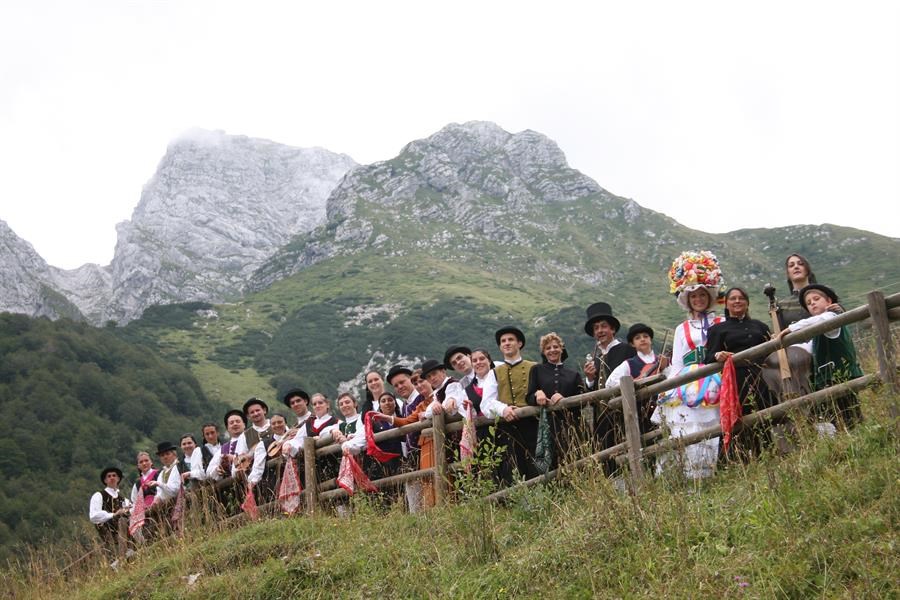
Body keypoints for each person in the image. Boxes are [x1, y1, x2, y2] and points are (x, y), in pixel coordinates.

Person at [657, 250, 726, 479]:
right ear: (687, 300)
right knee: (688, 424)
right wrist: (669, 388)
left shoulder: (722, 321)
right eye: (694, 296)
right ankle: (690, 473)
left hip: (715, 376)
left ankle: (713, 468)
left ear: (710, 296)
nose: (698, 300)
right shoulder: (681, 329)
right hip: (689, 381)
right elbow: (677, 361)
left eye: (702, 295)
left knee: (713, 421)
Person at [706, 286, 778, 457]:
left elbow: (771, 352)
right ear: (726, 304)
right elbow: (708, 357)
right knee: (739, 422)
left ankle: (768, 456)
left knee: (764, 418)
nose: (737, 301)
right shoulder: (717, 329)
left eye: (741, 298)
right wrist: (718, 355)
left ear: (747, 303)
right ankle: (739, 459)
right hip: (736, 380)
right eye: (733, 298)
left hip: (762, 378)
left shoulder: (760, 326)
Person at [780, 284, 863, 428]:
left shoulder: (831, 317)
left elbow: (818, 320)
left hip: (840, 377)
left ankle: (856, 436)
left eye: (816, 299)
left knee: (848, 416)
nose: (812, 303)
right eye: (808, 303)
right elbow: (808, 347)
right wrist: (784, 347)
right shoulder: (817, 330)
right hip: (826, 381)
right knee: (828, 418)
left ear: (829, 301)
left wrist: (790, 329)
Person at [526, 332, 586, 467]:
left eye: (555, 347)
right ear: (543, 352)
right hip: (546, 427)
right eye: (548, 348)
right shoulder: (536, 370)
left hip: (571, 426)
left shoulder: (574, 374)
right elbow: (528, 397)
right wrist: (537, 394)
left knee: (574, 462)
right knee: (550, 465)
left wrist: (565, 400)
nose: (552, 350)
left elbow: (583, 400)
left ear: (561, 349)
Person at [493, 326, 539, 481]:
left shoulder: (534, 366)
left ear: (519, 343)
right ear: (500, 347)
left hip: (532, 421)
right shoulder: (494, 372)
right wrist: (502, 409)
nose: (506, 343)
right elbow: (488, 401)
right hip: (507, 425)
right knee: (513, 465)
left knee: (536, 461)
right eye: (503, 341)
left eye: (510, 340)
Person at [606, 323, 667, 434]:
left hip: (663, 407)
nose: (642, 339)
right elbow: (609, 383)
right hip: (640, 412)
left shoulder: (662, 361)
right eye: (637, 338)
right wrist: (632, 383)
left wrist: (665, 368)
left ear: (651, 340)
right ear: (632, 344)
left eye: (645, 336)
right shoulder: (628, 364)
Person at [386, 365, 426, 513]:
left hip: (425, 450)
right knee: (415, 498)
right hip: (412, 454)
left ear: (411, 379)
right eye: (396, 385)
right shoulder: (404, 405)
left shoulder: (422, 397)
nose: (400, 387)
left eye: (402, 382)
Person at [89, 467, 132, 557]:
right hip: (107, 533)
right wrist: (114, 514)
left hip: (125, 532)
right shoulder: (99, 495)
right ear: (105, 480)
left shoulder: (124, 500)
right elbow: (93, 516)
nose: (112, 478)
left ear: (118, 479)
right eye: (109, 476)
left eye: (114, 475)